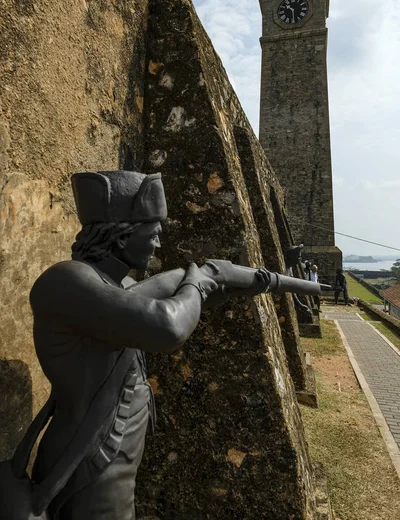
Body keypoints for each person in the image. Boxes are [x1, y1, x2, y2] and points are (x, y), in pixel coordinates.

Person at [28, 170, 269, 520]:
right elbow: (167, 325)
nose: (159, 243)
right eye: (153, 233)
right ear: (122, 237)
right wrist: (198, 286)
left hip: (118, 453)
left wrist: (228, 285)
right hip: (90, 460)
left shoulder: (118, 284)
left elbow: (174, 304)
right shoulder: (69, 280)